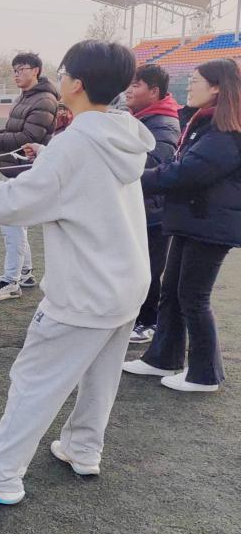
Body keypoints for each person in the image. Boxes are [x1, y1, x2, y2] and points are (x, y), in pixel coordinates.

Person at [0, 40, 154, 504]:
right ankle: (82, 449)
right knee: (100, 377)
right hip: (125, 283)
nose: (62, 78)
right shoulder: (121, 133)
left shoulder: (75, 144)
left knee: (33, 381)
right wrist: (45, 157)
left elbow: (10, 204)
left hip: (85, 291)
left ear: (77, 84)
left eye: (65, 72)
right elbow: (81, 184)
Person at [121, 59, 241, 393]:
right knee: (172, 292)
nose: (189, 85)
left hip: (210, 224)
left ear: (216, 87)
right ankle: (163, 357)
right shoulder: (203, 121)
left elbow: (187, 172)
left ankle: (205, 374)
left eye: (195, 80)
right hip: (193, 219)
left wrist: (134, 179)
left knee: (193, 297)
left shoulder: (225, 130)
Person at [0, 52, 59, 301]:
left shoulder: (44, 99)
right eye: (15, 70)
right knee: (14, 224)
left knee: (11, 224)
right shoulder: (26, 97)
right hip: (15, 169)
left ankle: (11, 282)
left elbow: (28, 138)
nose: (16, 74)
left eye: (21, 69)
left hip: (26, 170)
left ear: (36, 70)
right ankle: (24, 273)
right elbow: (16, 129)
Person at [123, 64, 181, 344]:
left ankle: (149, 321)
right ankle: (136, 316)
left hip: (153, 212)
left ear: (154, 91)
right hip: (139, 207)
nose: (128, 91)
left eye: (136, 85)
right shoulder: (141, 117)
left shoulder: (164, 123)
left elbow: (154, 164)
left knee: (149, 269)